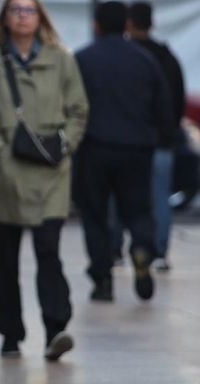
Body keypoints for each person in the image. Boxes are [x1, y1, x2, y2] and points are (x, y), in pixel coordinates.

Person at [0, 0, 89, 360]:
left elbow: (79, 110)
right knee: (5, 259)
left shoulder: (61, 59)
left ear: (40, 17)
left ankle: (56, 329)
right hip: (3, 175)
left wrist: (66, 144)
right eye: (15, 9)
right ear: (4, 17)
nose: (22, 15)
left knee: (49, 252)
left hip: (51, 171)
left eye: (30, 9)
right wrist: (0, 152)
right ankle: (10, 334)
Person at [74, 1, 174, 302]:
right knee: (138, 209)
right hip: (137, 149)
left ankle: (103, 278)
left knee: (95, 214)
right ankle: (143, 247)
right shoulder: (145, 61)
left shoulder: (83, 59)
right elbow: (163, 108)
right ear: (127, 24)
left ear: (96, 25)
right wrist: (160, 139)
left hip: (94, 148)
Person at [112, 1, 186, 272]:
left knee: (118, 195)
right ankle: (159, 252)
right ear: (152, 23)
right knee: (159, 199)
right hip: (160, 142)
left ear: (129, 23)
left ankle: (115, 250)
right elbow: (177, 100)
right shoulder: (166, 58)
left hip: (127, 140)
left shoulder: (124, 56)